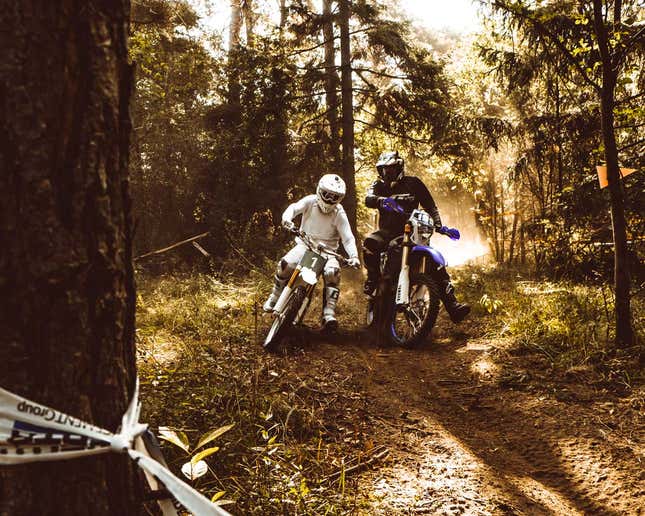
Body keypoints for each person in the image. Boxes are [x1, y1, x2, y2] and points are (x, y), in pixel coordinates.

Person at [362, 151, 470, 323]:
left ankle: (453, 305)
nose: (387, 173)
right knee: (370, 243)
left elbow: (430, 206)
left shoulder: (414, 183)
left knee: (436, 264)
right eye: (383, 170)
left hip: (414, 233)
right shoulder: (378, 185)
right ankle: (373, 278)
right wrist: (381, 201)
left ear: (399, 167)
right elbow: (368, 199)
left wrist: (440, 226)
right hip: (388, 232)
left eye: (390, 169)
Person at [263, 174, 361, 332]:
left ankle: (328, 314)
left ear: (339, 198)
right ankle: (275, 296)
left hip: (328, 252)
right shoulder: (310, 201)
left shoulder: (338, 212)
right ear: (320, 190)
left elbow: (348, 237)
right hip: (305, 244)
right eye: (327, 194)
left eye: (334, 196)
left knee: (333, 273)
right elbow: (294, 208)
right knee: (285, 265)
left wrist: (354, 256)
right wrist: (287, 219)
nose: (329, 199)